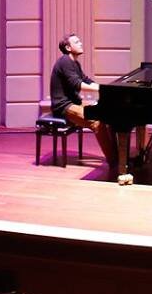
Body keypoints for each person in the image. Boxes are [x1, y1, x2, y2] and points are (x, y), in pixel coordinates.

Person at [49, 32, 122, 182]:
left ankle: (119, 157)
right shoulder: (64, 62)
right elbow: (77, 84)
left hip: (73, 102)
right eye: (77, 42)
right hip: (63, 106)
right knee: (96, 121)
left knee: (106, 115)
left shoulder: (74, 62)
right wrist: (102, 90)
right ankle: (114, 163)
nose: (81, 43)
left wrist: (104, 88)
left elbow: (86, 80)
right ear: (68, 47)